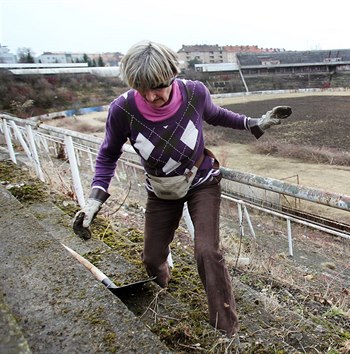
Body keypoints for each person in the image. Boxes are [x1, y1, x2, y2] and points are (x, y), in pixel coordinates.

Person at [72, 40, 292, 337]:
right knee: (151, 257)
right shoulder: (122, 110)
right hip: (161, 189)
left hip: (201, 180)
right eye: (142, 89)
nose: (152, 96)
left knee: (206, 251)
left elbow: (216, 115)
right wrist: (94, 200)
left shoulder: (194, 93)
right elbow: (108, 153)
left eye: (159, 86)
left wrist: (256, 123)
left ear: (173, 75)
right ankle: (161, 290)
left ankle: (226, 331)